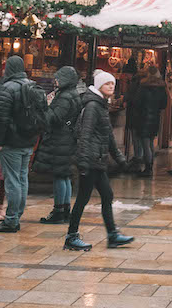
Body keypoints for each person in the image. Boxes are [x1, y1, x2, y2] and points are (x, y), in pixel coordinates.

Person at [64, 69, 134, 252]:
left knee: (105, 195)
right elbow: (85, 134)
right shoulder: (94, 106)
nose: (111, 86)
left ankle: (112, 235)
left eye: (113, 83)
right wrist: (84, 162)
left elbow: (108, 136)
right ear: (99, 86)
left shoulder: (100, 104)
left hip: (97, 159)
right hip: (91, 160)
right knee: (83, 198)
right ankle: (72, 237)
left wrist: (120, 159)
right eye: (107, 84)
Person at [0, 55, 41, 233]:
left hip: (11, 142)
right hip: (28, 141)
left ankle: (11, 220)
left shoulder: (7, 88)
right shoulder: (32, 86)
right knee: (21, 179)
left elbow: (1, 118)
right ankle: (16, 215)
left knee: (12, 181)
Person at [33, 66, 82, 224]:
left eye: (58, 78)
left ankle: (59, 211)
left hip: (60, 140)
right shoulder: (72, 94)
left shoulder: (64, 97)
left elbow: (54, 118)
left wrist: (46, 105)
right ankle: (65, 210)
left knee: (59, 175)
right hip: (67, 139)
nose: (56, 81)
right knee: (64, 175)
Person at [130, 65, 168, 176]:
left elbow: (137, 102)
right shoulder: (162, 87)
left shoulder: (143, 86)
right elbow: (164, 104)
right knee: (150, 142)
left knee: (145, 143)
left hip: (143, 118)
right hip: (155, 118)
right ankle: (150, 165)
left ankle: (148, 168)